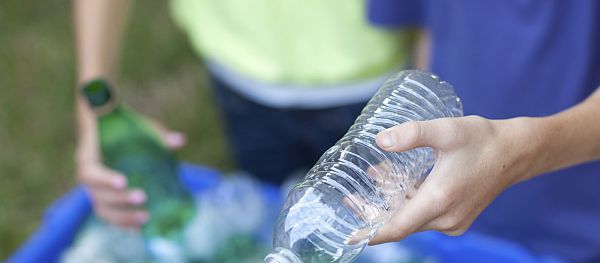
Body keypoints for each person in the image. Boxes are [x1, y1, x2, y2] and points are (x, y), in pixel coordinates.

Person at [367, 0, 600, 263]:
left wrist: (519, 153)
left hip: (586, 238)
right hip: (469, 221)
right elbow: (433, 28)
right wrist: (421, 146)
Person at [73, 0, 412, 229]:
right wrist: (96, 111)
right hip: (238, 75)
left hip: (371, 82)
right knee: (275, 220)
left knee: (383, 228)